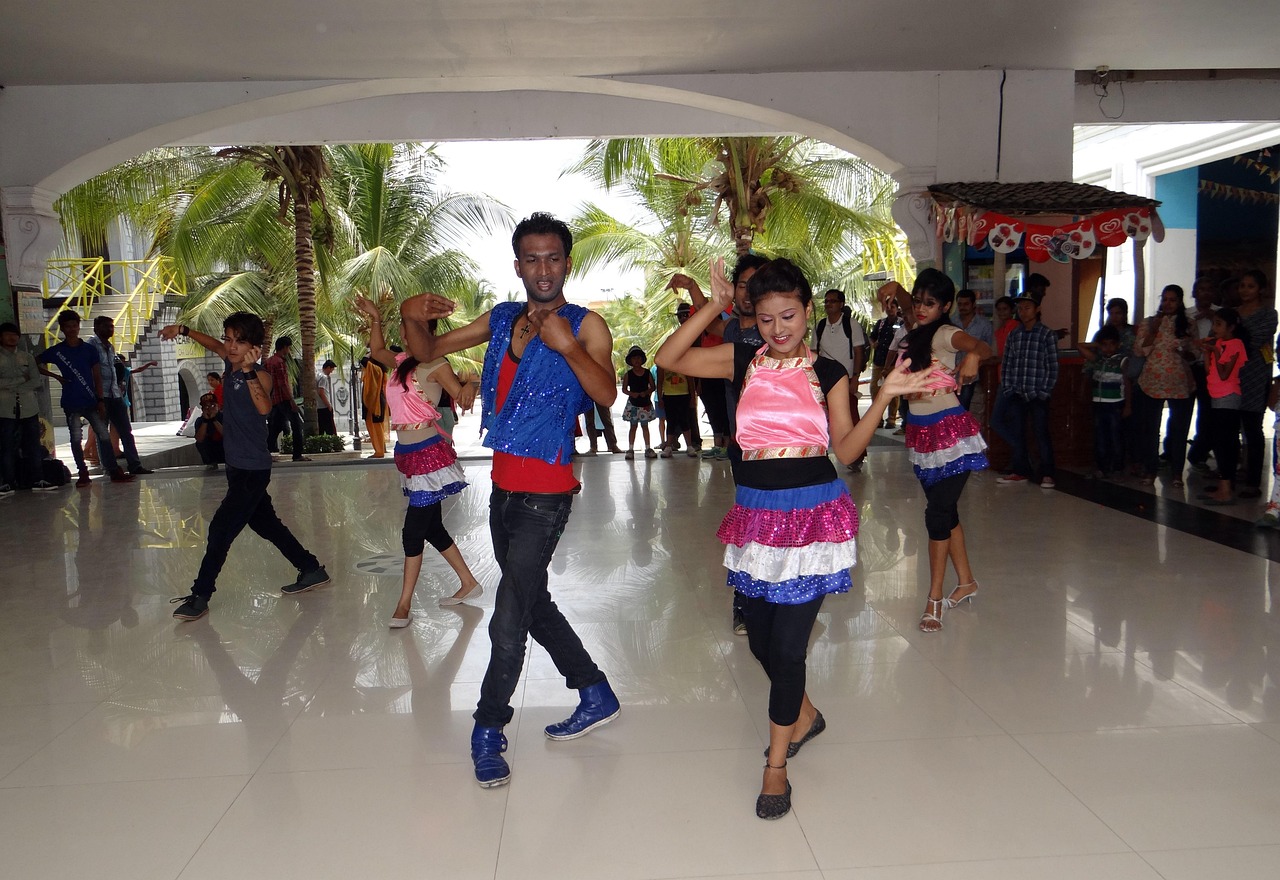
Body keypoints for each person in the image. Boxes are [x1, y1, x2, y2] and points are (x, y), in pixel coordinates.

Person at [656, 257, 935, 820]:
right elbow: (669, 359)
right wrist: (713, 304)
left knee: (786, 650)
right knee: (760, 642)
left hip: (812, 520)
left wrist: (884, 396)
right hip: (757, 518)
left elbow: (847, 450)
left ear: (808, 310)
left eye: (788, 316)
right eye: (765, 319)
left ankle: (776, 767)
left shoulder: (829, 372)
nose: (778, 328)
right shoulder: (742, 359)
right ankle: (805, 714)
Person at [399, 212, 621, 789]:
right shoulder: (501, 319)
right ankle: (594, 690)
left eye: (554, 258)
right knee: (531, 599)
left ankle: (488, 727)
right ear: (518, 265)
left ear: (567, 263)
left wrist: (567, 346)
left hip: (548, 492)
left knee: (508, 616)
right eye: (532, 259)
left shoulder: (587, 324)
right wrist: (410, 315)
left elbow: (606, 393)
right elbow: (426, 349)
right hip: (503, 487)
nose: (543, 269)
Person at [159, 315, 330, 621]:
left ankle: (200, 596)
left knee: (220, 529)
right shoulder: (230, 363)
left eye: (239, 341)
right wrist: (183, 330)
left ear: (254, 347)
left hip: (252, 469)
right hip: (237, 466)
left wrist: (250, 370)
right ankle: (311, 568)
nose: (231, 346)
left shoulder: (260, 375)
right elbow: (213, 345)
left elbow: (264, 407)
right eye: (229, 339)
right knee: (267, 525)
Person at [354, 295, 483, 625]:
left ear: (425, 332)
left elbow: (461, 397)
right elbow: (376, 350)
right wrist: (375, 317)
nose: (404, 330)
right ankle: (468, 583)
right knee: (433, 527)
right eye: (404, 325)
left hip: (428, 456)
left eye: (411, 326)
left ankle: (404, 605)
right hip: (408, 454)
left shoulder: (436, 364)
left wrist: (471, 383)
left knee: (412, 532)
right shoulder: (400, 361)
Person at [884, 272, 992, 632]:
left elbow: (983, 346)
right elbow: (906, 303)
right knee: (946, 512)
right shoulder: (918, 330)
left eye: (929, 303)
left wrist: (973, 355)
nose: (920, 308)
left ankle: (933, 598)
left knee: (937, 514)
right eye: (918, 301)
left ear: (945, 306)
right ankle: (967, 582)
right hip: (923, 435)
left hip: (951, 436)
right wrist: (895, 289)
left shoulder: (946, 333)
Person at [36, 311, 134, 487]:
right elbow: (36, 362)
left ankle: (114, 470)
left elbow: (97, 375)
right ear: (62, 328)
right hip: (71, 401)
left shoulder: (89, 350)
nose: (72, 329)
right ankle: (82, 472)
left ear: (78, 327)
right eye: (68, 326)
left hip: (91, 400)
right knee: (75, 438)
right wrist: (56, 377)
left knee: (103, 434)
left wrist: (100, 399)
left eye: (74, 326)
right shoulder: (58, 351)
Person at [991, 294, 1059, 488]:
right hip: (1017, 392)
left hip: (1038, 393)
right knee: (1018, 432)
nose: (1023, 312)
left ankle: (1047, 473)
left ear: (1037, 309)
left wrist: (1044, 392)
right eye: (1020, 308)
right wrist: (1009, 388)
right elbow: (1007, 363)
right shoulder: (1015, 334)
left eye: (1027, 308)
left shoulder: (1046, 334)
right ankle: (1020, 470)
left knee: (1041, 433)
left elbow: (1052, 366)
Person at [1133, 285, 1196, 488]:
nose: (1167, 304)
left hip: (1180, 382)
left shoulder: (1188, 323)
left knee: (1179, 429)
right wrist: (1154, 329)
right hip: (1152, 381)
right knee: (1150, 429)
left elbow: (1195, 354)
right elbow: (1139, 351)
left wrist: (1184, 349)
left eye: (1172, 300)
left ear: (1180, 302)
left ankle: (1177, 473)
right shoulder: (1149, 322)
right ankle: (1150, 470)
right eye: (1165, 299)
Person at [87, 316, 153, 476]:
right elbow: (92, 371)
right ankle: (110, 468)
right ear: (96, 328)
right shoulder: (91, 346)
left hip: (115, 395)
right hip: (101, 396)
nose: (110, 329)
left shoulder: (110, 347)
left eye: (112, 326)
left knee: (126, 431)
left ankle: (135, 465)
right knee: (103, 434)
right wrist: (98, 397)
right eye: (106, 326)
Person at [813, 288, 868, 472]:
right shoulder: (820, 325)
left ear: (841, 304)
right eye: (826, 301)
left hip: (846, 379)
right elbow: (814, 351)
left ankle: (856, 456)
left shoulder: (851, 324)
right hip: (823, 379)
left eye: (833, 301)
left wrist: (855, 378)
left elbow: (859, 351)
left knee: (851, 416)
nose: (829, 304)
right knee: (821, 417)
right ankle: (820, 452)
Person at [0, 321, 58, 494]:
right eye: (8, 334)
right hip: (5, 408)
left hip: (28, 407)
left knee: (33, 445)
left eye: (14, 334)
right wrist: (20, 380)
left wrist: (12, 386)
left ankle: (37, 479)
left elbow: (36, 380)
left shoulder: (27, 357)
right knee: (6, 446)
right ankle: (8, 482)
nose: (12, 338)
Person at [1234, 270, 1277, 500]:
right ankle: (1233, 471)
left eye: (1250, 286)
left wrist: (1232, 342)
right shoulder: (1233, 313)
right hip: (1230, 375)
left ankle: (1253, 480)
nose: (1245, 290)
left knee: (1252, 428)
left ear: (1260, 289)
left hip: (1256, 376)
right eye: (1242, 285)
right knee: (1231, 426)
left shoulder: (1268, 314)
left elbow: (1253, 340)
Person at [1199, 308, 1248, 505]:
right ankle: (1222, 486)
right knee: (1218, 441)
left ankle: (1227, 489)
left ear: (1231, 327)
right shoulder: (1219, 343)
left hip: (1228, 397)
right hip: (1216, 396)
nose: (1214, 328)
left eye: (1219, 324)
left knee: (1225, 442)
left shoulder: (1236, 344)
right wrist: (1207, 352)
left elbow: (1225, 374)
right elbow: (1209, 370)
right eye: (1214, 323)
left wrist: (1216, 352)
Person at [1080, 325, 1128, 479]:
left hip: (1115, 403)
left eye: (1111, 344)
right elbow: (1080, 346)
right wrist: (1097, 345)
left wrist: (1128, 405)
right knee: (1100, 436)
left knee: (1115, 436)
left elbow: (1127, 383)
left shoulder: (1122, 360)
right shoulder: (1098, 359)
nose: (1108, 348)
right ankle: (1102, 467)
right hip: (1099, 403)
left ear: (1118, 344)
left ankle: (1118, 468)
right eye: (1104, 345)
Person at [1187, 277, 1220, 471]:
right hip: (1189, 367)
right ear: (1194, 292)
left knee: (1207, 412)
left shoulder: (1220, 313)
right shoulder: (1187, 314)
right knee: (1182, 410)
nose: (1205, 293)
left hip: (1211, 369)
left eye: (1209, 289)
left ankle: (1199, 451)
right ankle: (1170, 450)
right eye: (1201, 289)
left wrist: (1212, 318)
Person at [657, 305, 698, 458]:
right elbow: (660, 379)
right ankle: (669, 445)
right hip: (669, 394)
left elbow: (690, 377)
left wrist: (692, 396)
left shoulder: (684, 358)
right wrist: (660, 396)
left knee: (685, 419)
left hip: (683, 393)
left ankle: (690, 445)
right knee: (671, 421)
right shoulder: (663, 361)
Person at [264, 336, 308, 461]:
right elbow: (282, 383)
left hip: (274, 400)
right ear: (284, 347)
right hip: (283, 399)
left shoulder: (269, 361)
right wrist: (291, 401)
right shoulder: (280, 362)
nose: (289, 351)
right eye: (288, 348)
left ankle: (265, 452)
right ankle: (297, 454)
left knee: (275, 427)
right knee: (296, 425)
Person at [950, 288, 995, 411]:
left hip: (971, 377)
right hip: (950, 374)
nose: (962, 307)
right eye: (960, 304)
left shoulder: (984, 324)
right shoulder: (951, 322)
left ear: (973, 304)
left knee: (963, 410)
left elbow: (988, 350)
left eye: (966, 304)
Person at [869, 293, 904, 428]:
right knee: (875, 389)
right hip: (879, 361)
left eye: (892, 307)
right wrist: (873, 343)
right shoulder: (881, 323)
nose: (890, 309)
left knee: (893, 391)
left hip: (894, 363)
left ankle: (892, 419)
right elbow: (872, 337)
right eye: (888, 307)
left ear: (897, 308)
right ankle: (878, 418)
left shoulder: (901, 323)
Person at [620, 345, 658, 460]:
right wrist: (632, 394)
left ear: (642, 359)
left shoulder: (647, 373)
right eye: (634, 358)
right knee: (633, 426)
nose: (636, 360)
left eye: (638, 358)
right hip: (633, 404)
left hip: (645, 403)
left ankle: (648, 448)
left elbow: (653, 386)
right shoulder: (628, 374)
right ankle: (630, 449)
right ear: (630, 361)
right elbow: (624, 389)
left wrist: (646, 392)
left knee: (645, 426)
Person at [361, 352, 390, 458]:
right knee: (375, 426)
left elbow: (363, 361)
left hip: (375, 402)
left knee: (376, 427)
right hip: (375, 401)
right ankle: (380, 449)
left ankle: (379, 451)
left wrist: (370, 353)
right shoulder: (380, 369)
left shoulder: (375, 369)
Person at [193, 392, 225, 470]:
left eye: (213, 406)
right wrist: (205, 421)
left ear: (218, 406)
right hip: (211, 450)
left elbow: (226, 434)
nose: (210, 408)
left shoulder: (224, 417)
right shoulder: (200, 421)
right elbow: (199, 439)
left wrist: (214, 420)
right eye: (206, 406)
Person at [316, 359, 338, 436]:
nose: (331, 372)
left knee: (321, 429)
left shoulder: (318, 375)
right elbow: (321, 392)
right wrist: (328, 405)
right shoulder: (324, 377)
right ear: (328, 368)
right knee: (330, 430)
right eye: (331, 369)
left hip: (318, 407)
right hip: (324, 407)